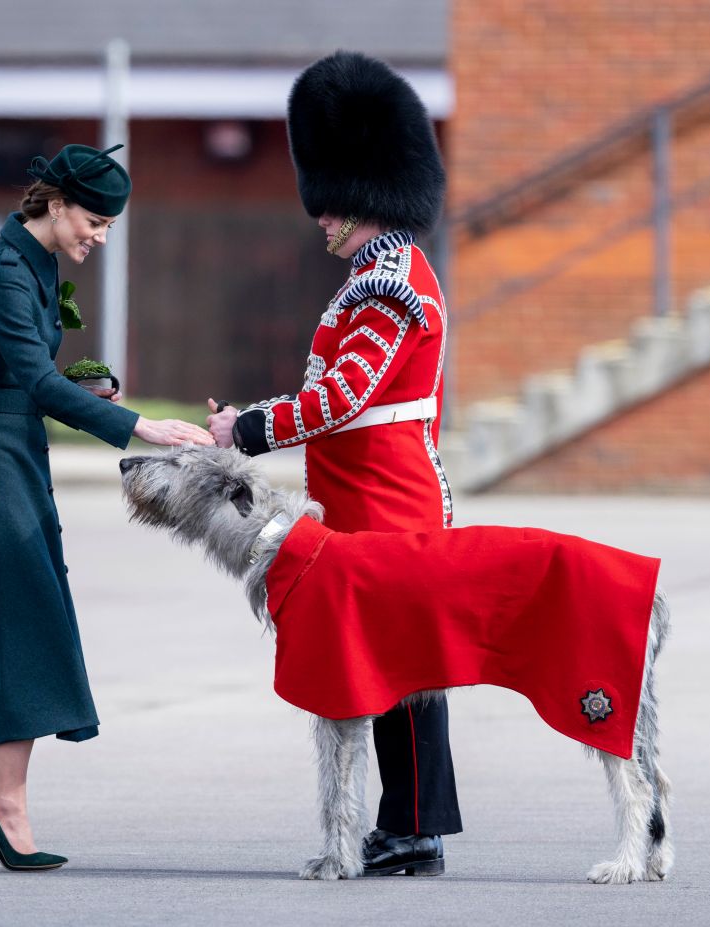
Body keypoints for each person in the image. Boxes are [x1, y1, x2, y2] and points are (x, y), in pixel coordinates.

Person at [0, 143, 214, 872]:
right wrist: (139, 424)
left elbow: (33, 370)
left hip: (9, 456)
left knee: (8, 627)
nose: (98, 236)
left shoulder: (33, 262)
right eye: (94, 220)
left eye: (108, 226)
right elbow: (39, 385)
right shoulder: (8, 271)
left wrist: (90, 384)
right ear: (52, 203)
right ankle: (6, 804)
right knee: (23, 626)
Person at [207, 51, 461, 876]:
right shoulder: (375, 273)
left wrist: (246, 428)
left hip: (389, 503)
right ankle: (406, 823)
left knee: (408, 671)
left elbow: (341, 399)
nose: (319, 218)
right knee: (389, 665)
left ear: (364, 193)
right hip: (368, 498)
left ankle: (415, 829)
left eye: (329, 206)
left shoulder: (386, 283)